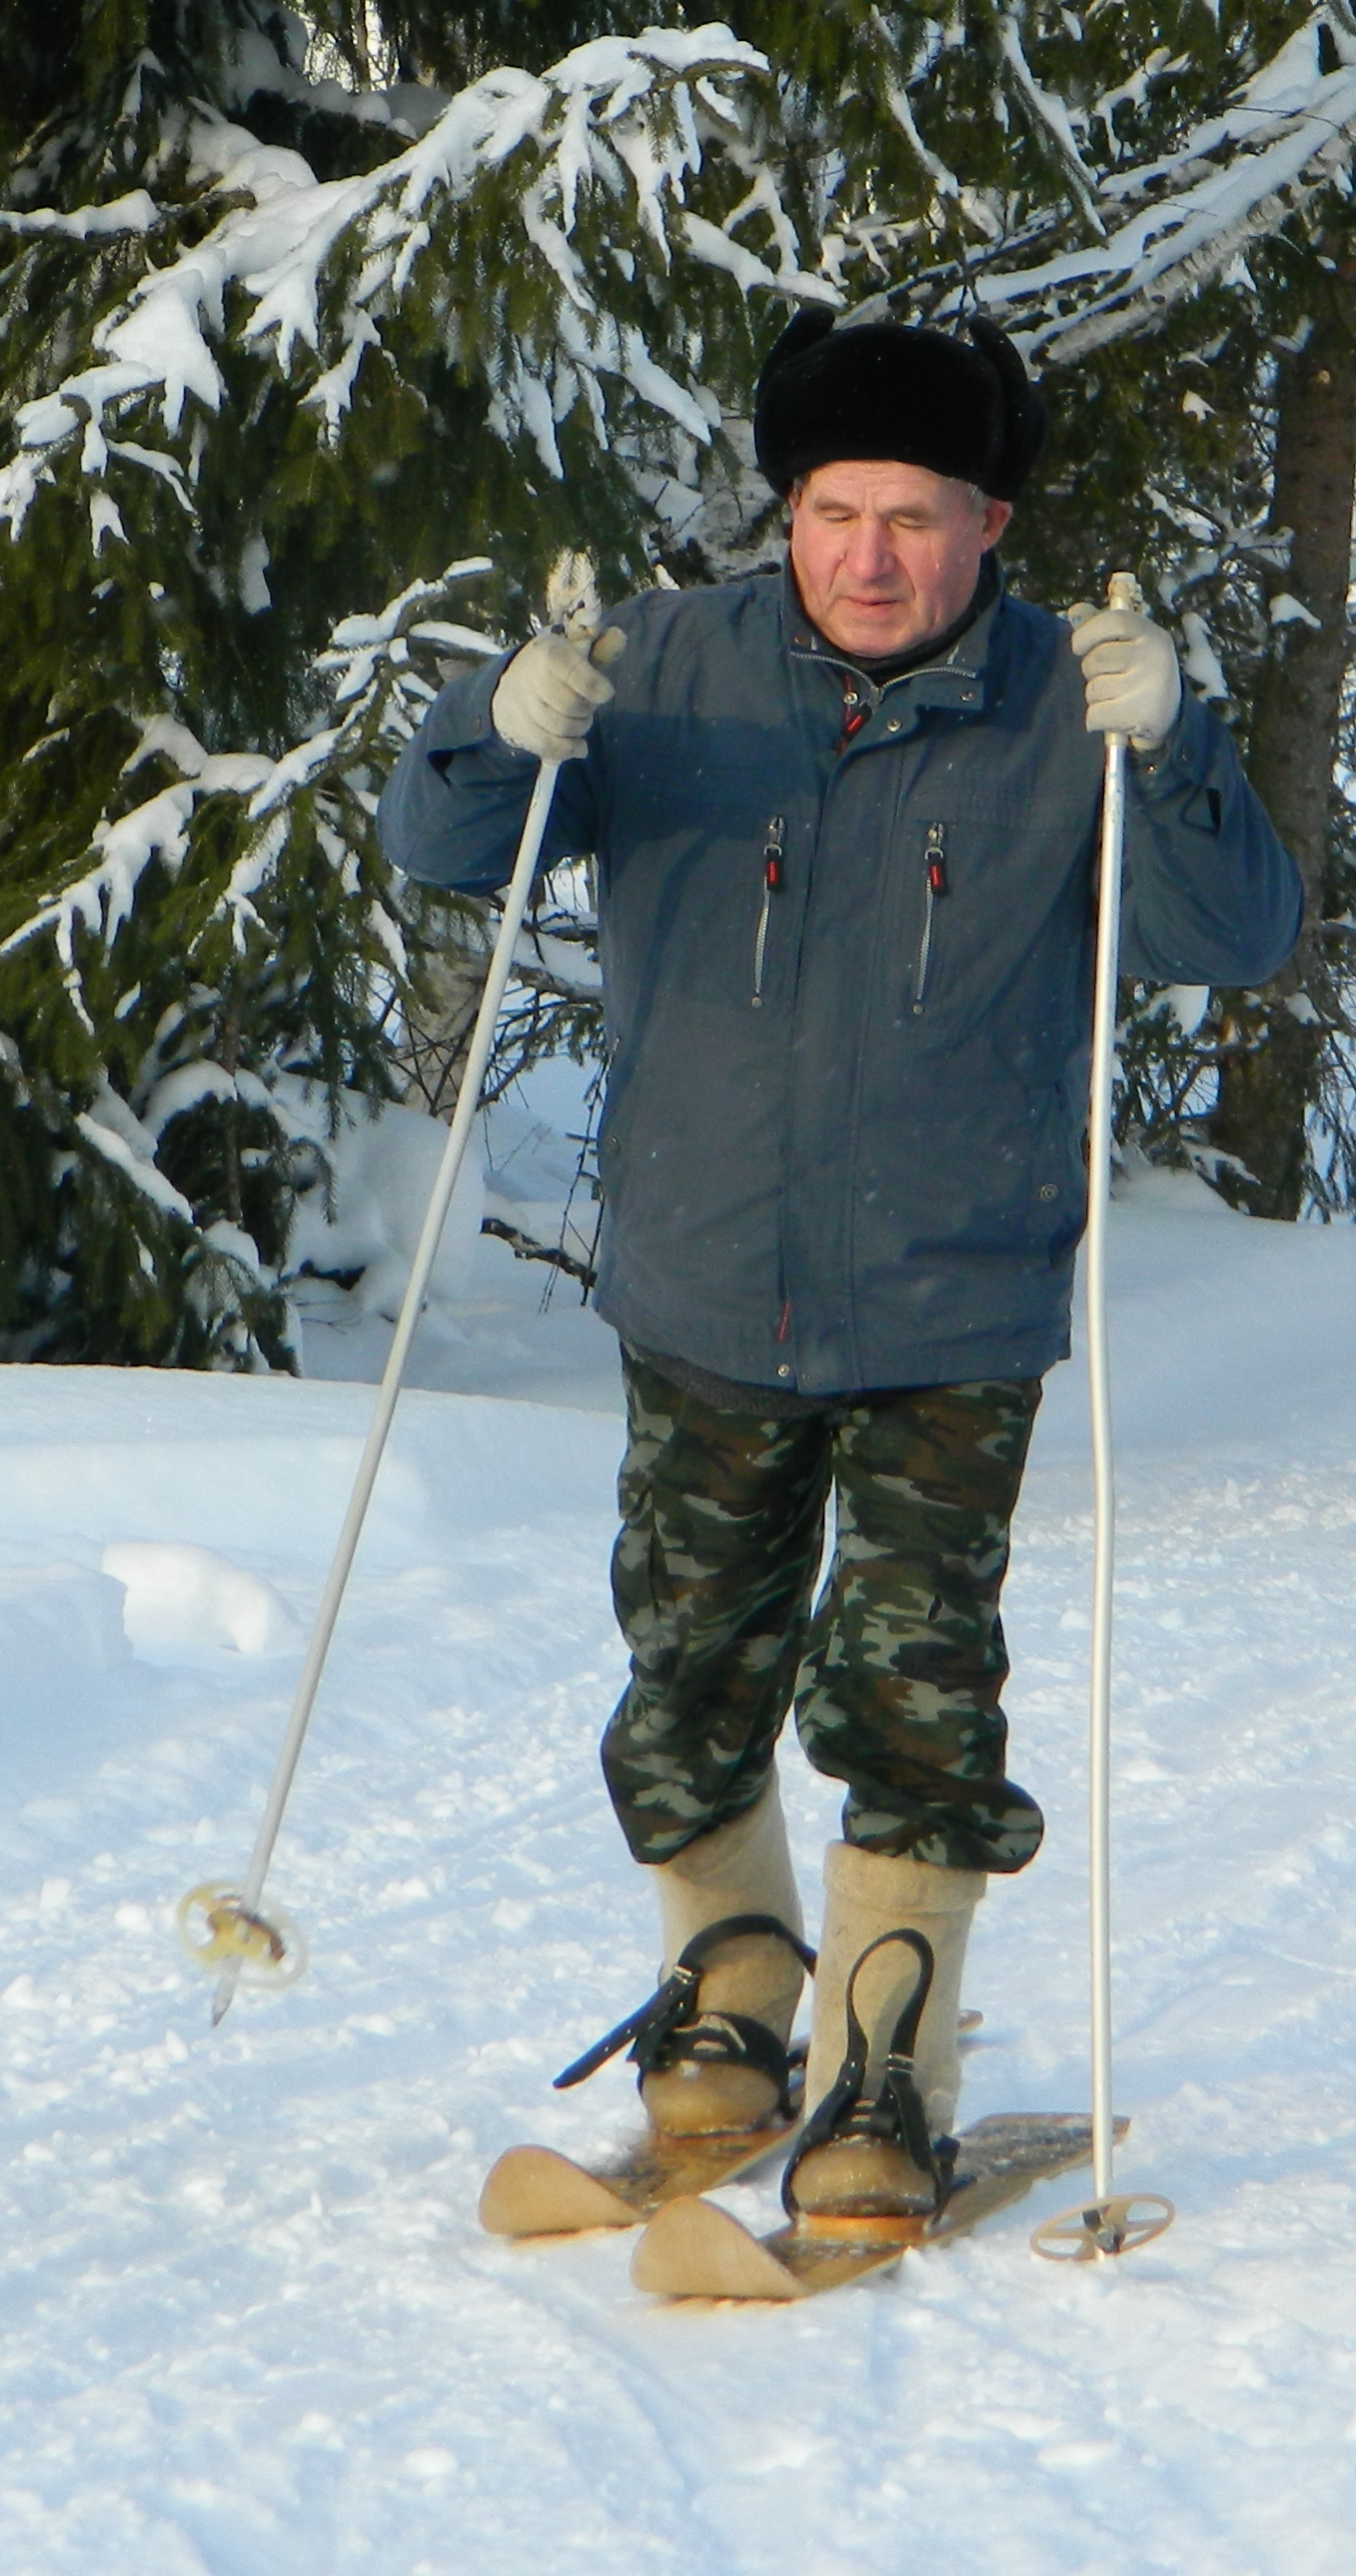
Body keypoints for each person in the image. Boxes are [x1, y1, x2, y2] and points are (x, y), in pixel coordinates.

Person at [376, 309, 1302, 2224]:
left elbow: (1236, 936)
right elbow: (444, 836)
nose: (869, 557)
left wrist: (1183, 744)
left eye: (915, 517)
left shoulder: (1070, 702)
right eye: (831, 512)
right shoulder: (667, 670)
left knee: (914, 1692)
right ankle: (729, 1995)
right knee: (690, 1666)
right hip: (705, 1281)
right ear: (784, 512)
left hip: (952, 1302)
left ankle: (892, 2052)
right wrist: (501, 717)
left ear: (993, 524)